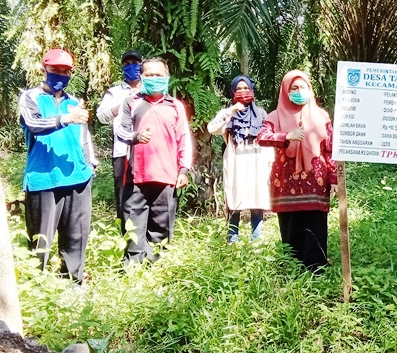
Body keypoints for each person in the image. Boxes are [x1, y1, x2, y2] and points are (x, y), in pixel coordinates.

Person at [19, 49, 97, 282]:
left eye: (65, 71)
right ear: (44, 69)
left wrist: (90, 164)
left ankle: (74, 281)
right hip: (43, 177)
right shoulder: (31, 98)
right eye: (55, 70)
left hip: (78, 177)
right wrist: (65, 119)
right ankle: (36, 285)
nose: (61, 75)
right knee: (40, 238)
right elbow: (33, 124)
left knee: (76, 234)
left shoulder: (73, 102)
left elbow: (84, 137)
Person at [258, 70, 337, 272]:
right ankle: (293, 270)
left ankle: (317, 269)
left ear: (310, 90)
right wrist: (286, 136)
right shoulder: (274, 116)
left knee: (315, 224)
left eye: (303, 87)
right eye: (294, 88)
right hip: (286, 183)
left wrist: (334, 177)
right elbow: (262, 137)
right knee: (291, 226)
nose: (299, 91)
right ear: (285, 91)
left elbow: (330, 148)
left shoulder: (321, 116)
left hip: (316, 182)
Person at [117, 57, 193, 264]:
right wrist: (136, 137)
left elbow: (183, 139)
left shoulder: (175, 106)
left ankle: (157, 269)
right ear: (141, 77)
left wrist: (183, 170)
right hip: (136, 176)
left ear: (167, 77)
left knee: (161, 229)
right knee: (133, 227)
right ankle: (132, 268)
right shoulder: (131, 102)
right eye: (149, 75)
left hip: (167, 176)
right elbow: (121, 132)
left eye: (158, 75)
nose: (154, 78)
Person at [207, 75, 273, 244]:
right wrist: (231, 111)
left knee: (257, 199)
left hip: (258, 160)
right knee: (234, 199)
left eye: (246, 88)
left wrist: (271, 163)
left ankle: (256, 241)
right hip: (236, 161)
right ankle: (232, 240)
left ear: (251, 90)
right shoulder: (228, 114)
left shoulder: (261, 113)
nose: (243, 92)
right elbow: (212, 128)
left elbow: (268, 138)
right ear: (233, 91)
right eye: (239, 89)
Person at [97, 50, 142, 231]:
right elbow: (101, 116)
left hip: (147, 150)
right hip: (122, 151)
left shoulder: (151, 88)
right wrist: (122, 105)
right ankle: (125, 233)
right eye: (127, 63)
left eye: (135, 62)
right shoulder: (114, 92)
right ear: (123, 67)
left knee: (145, 191)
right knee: (124, 194)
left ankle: (144, 233)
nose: (132, 65)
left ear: (141, 64)